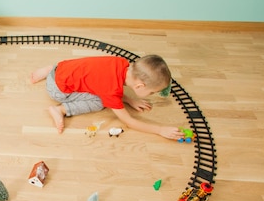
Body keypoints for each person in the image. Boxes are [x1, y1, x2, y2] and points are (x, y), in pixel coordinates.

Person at [30, 54, 184, 140]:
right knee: (100, 102)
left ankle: (50, 70)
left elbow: (105, 81)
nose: (151, 95)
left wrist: (130, 100)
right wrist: (160, 129)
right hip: (57, 89)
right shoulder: (111, 89)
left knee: (96, 82)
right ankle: (61, 110)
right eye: (151, 92)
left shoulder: (121, 63)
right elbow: (129, 121)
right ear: (139, 86)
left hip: (62, 68)